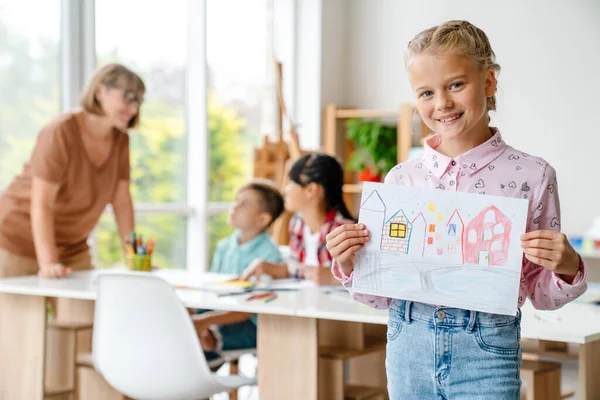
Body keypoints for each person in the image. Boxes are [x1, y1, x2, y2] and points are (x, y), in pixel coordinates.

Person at [326, 20, 587, 399]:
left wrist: (566, 267)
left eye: (456, 85)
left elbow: (540, 294)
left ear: (489, 83)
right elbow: (381, 295)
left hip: (486, 348)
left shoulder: (532, 175)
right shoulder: (402, 179)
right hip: (407, 343)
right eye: (426, 92)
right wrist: (350, 264)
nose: (442, 103)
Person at [0, 63, 143, 279]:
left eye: (139, 101)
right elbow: (42, 204)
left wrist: (134, 259)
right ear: (99, 91)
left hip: (72, 246)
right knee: (25, 313)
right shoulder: (60, 132)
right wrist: (48, 263)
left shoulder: (120, 140)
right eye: (128, 97)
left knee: (89, 311)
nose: (134, 108)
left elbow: (122, 202)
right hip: (17, 240)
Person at [192, 179, 284, 360]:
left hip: (250, 321)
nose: (234, 207)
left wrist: (205, 321)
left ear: (262, 219)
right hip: (219, 311)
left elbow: (251, 309)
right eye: (236, 201)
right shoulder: (224, 246)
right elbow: (212, 289)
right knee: (182, 311)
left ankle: (209, 342)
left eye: (245, 205)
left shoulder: (269, 255)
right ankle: (204, 340)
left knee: (204, 330)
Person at [240, 153, 354, 285]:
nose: (285, 189)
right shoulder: (297, 224)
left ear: (310, 190)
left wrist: (334, 279)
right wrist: (266, 267)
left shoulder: (343, 232)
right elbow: (297, 270)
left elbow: (367, 281)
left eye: (290, 182)